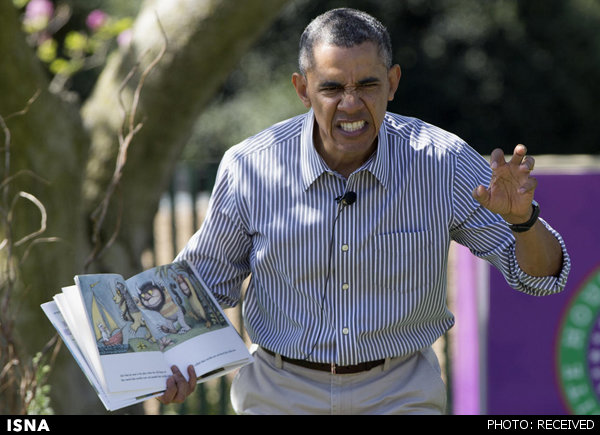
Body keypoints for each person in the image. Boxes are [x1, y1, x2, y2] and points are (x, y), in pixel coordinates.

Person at [157, 8, 570, 414]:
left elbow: (541, 277)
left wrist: (524, 221)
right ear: (303, 89)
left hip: (401, 394)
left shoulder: (442, 161)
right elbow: (200, 286)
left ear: (392, 82)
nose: (351, 104)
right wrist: (158, 366)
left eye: (368, 85)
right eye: (332, 88)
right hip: (278, 392)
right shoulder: (250, 166)